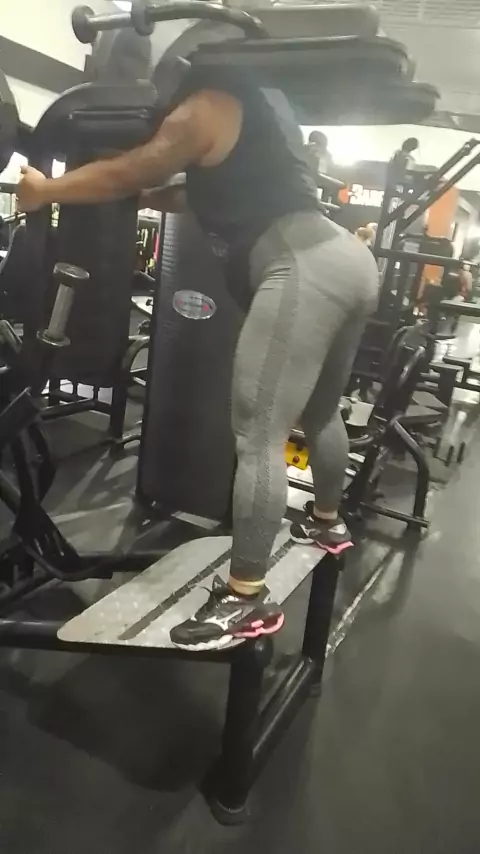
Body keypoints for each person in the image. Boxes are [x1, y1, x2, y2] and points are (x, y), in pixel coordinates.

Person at [17, 65, 379, 651]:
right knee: (320, 411)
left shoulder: (201, 106)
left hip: (304, 270)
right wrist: (135, 193)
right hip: (350, 262)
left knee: (258, 435)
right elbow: (186, 193)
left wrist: (48, 190)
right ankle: (328, 522)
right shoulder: (253, 121)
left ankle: (246, 598)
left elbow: (135, 169)